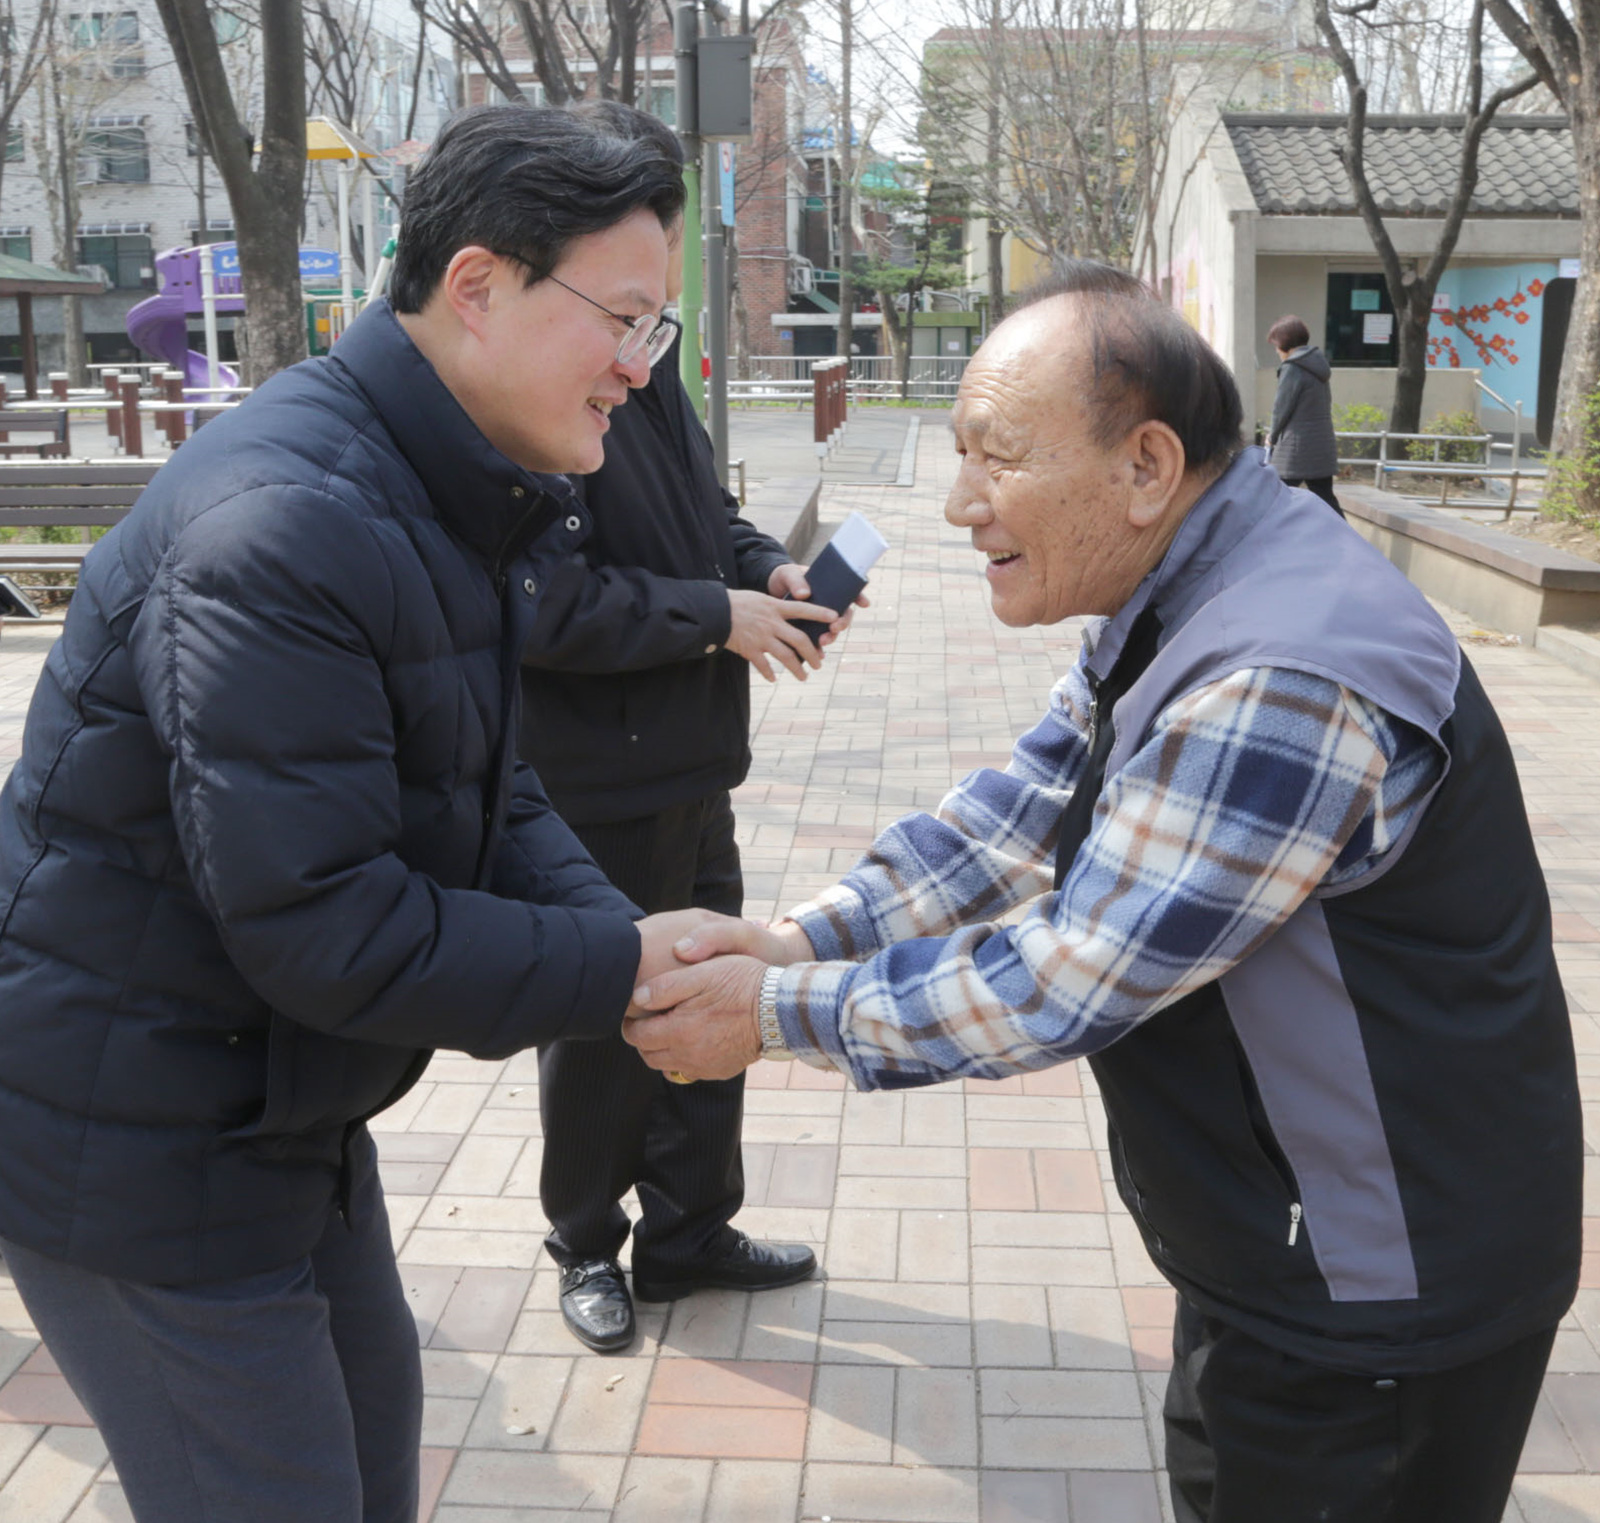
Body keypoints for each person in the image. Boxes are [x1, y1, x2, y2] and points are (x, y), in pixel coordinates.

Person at [624, 261, 1581, 1523]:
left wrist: (774, 1010)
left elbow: (1070, 974)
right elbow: (1024, 807)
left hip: (1377, 1288)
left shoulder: (1282, 670)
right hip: (1291, 1238)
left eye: (997, 457)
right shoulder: (1187, 577)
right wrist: (797, 934)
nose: (963, 501)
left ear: (1143, 465)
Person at [0, 105, 737, 1523]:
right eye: (625, 320)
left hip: (277, 1110)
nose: (641, 372)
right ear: (477, 287)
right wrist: (625, 970)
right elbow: (330, 926)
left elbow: (492, 776)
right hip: (139, 1140)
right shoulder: (286, 526)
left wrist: (622, 937)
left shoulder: (447, 483)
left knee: (373, 1449)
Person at [521, 101, 833, 1354]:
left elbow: (710, 513)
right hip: (596, 779)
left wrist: (770, 574)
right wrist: (718, 615)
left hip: (696, 762)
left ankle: (692, 1226)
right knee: (603, 1023)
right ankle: (584, 1242)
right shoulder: (537, 392)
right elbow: (548, 603)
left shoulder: (643, 370)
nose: (641, 337)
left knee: (718, 999)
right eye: (627, 296)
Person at [1264, 313, 1342, 514]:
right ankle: (1347, 540)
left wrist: (1272, 437)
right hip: (1321, 445)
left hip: (1296, 449)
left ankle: (1271, 541)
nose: (1276, 351)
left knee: (1274, 497)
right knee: (1326, 498)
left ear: (1284, 343)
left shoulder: (1293, 368)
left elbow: (1281, 408)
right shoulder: (1319, 364)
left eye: (1276, 345)